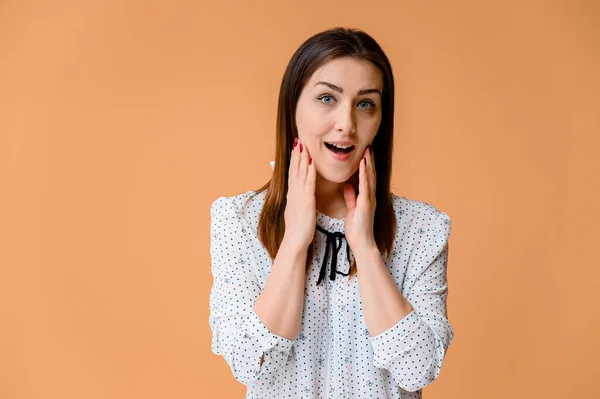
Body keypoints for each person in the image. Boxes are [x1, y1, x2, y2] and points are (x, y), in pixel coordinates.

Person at [208, 27, 454, 398]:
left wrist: (367, 248)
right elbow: (251, 364)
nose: (347, 124)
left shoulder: (423, 228)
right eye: (327, 98)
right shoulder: (238, 220)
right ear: (293, 108)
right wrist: (293, 241)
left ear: (381, 120)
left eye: (366, 103)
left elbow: (417, 370)